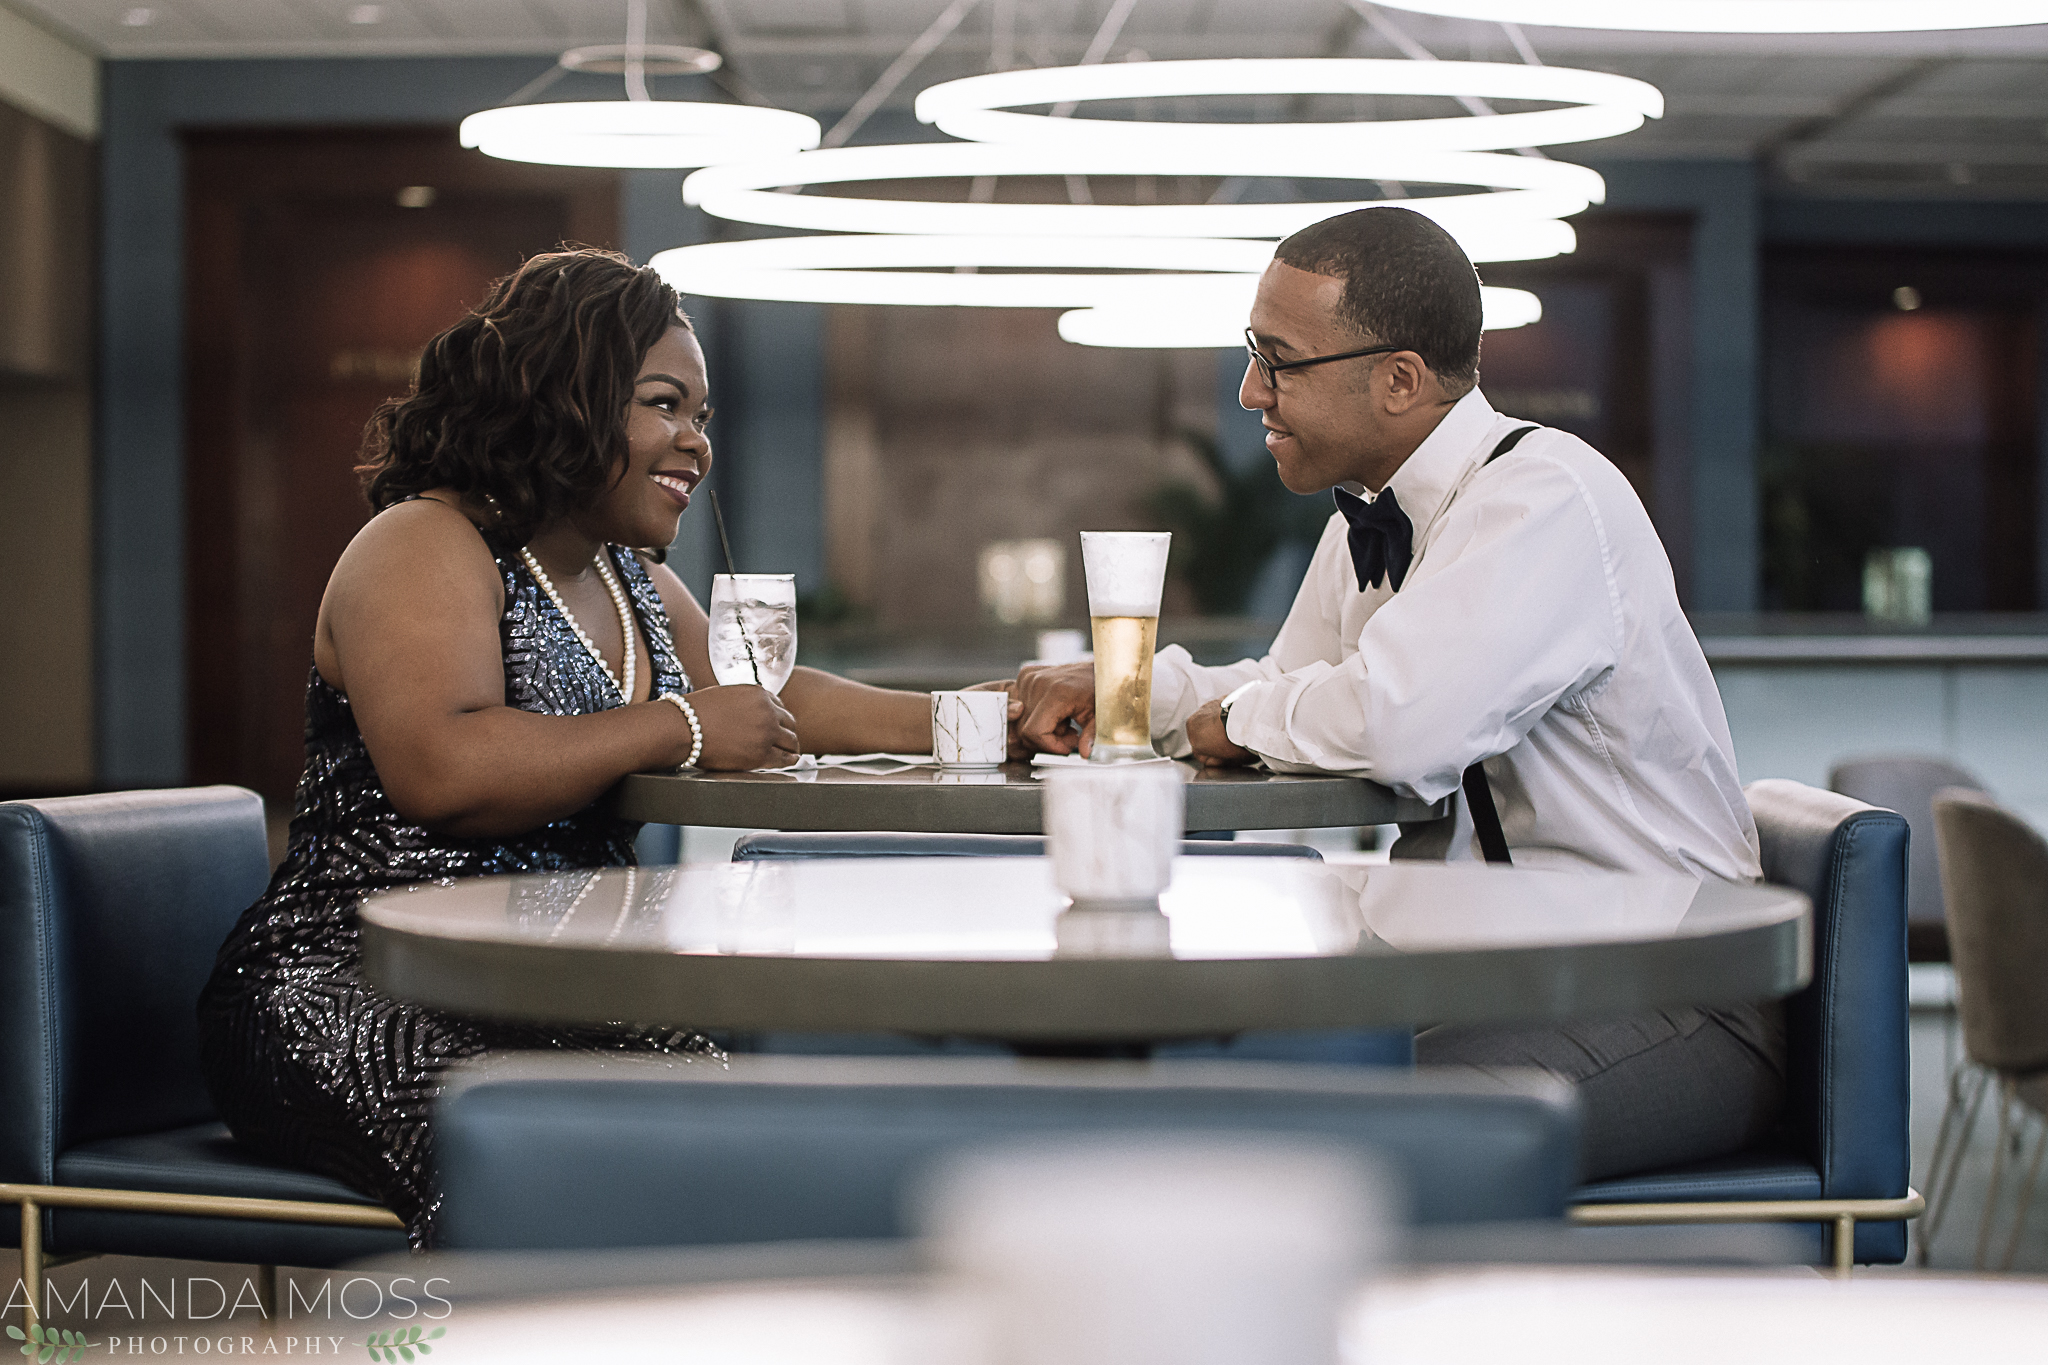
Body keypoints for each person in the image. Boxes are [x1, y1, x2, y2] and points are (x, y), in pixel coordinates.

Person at [1010, 206, 1779, 1182]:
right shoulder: (1370, 519)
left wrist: (1232, 720)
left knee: (1318, 1149)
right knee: (1210, 1084)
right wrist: (1137, 692)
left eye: (1277, 360)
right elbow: (1293, 688)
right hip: (1501, 973)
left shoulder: (1542, 498)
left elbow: (1396, 722)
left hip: (1658, 990)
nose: (1251, 391)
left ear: (1399, 379)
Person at [198, 248, 932, 1244]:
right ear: (564, 398)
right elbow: (444, 772)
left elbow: (765, 693)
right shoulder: (425, 542)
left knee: (736, 1147)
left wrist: (969, 716)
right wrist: (679, 727)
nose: (693, 442)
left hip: (541, 993)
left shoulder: (624, 575)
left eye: (702, 416)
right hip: (355, 989)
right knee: (548, 1166)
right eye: (664, 404)